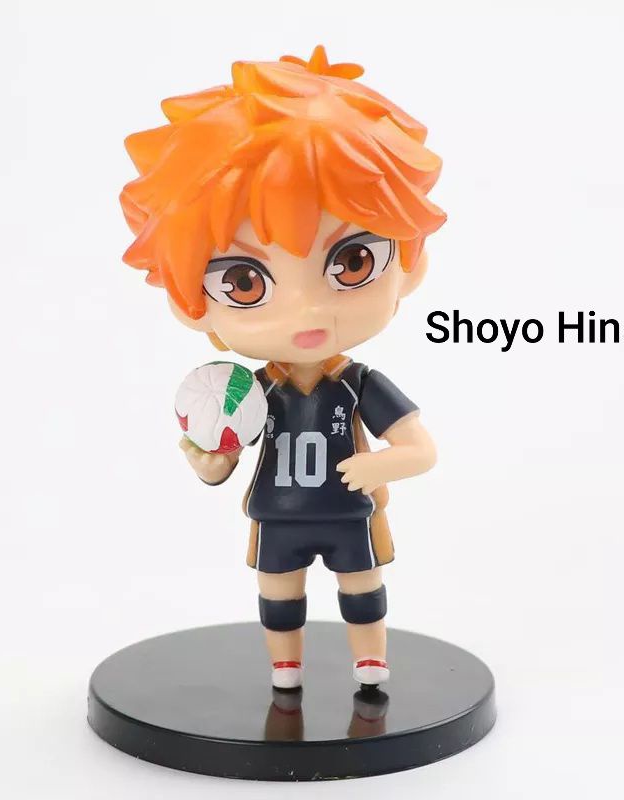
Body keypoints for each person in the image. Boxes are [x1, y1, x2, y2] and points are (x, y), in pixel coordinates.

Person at [120, 46, 445, 689]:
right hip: (278, 512)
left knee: (362, 587)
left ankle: (369, 660)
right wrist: (210, 461)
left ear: (409, 264)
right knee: (278, 592)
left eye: (351, 262)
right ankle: (285, 666)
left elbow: (420, 450)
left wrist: (377, 466)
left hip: (348, 511)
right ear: (189, 300)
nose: (306, 311)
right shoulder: (247, 389)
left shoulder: (356, 383)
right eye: (245, 281)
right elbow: (225, 455)